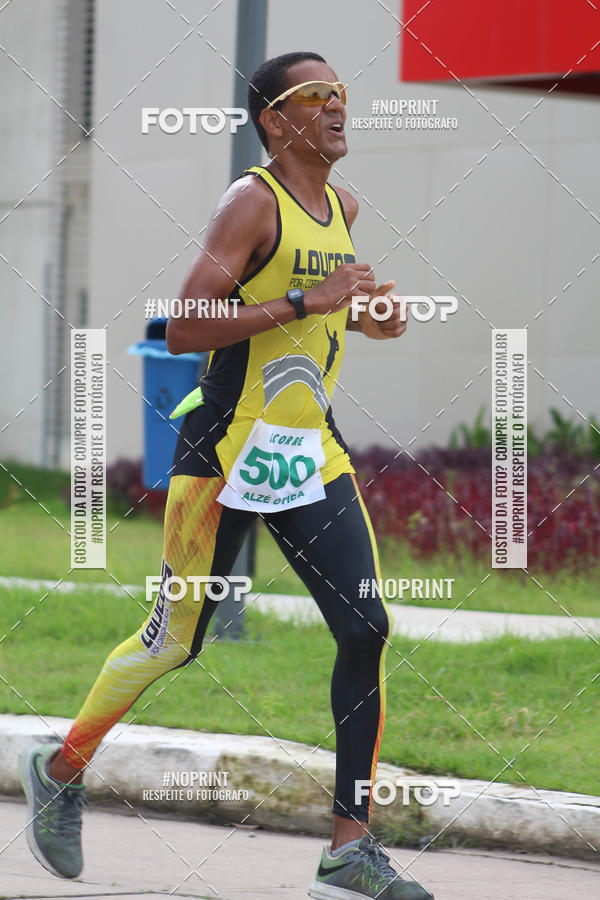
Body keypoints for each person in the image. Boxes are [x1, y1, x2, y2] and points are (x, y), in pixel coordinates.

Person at [19, 51, 434, 900]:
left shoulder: (344, 205)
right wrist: (300, 306)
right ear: (274, 121)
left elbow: (332, 304)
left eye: (343, 96)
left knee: (365, 628)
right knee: (176, 638)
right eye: (317, 97)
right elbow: (182, 327)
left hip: (307, 449)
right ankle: (62, 768)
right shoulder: (251, 202)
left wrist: (371, 315)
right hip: (221, 452)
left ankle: (348, 849)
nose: (338, 108)